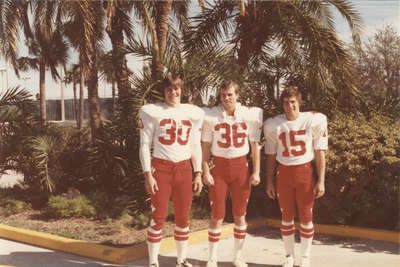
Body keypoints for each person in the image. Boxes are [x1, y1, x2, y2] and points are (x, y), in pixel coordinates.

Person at [139, 74, 204, 267]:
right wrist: (147, 174)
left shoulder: (192, 112)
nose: (173, 92)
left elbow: (195, 145)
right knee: (158, 216)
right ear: (164, 92)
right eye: (169, 89)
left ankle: (181, 260)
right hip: (161, 167)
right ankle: (153, 262)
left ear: (181, 90)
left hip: (184, 168)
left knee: (183, 216)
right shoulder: (153, 111)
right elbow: (144, 144)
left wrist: (198, 172)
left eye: (176, 89)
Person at [263, 86, 328, 267]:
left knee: (306, 215)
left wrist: (321, 180)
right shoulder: (274, 124)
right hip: (283, 173)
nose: (290, 105)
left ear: (299, 102)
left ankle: (305, 257)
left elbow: (319, 152)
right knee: (287, 217)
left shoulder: (313, 119)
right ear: (282, 104)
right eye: (286, 102)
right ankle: (289, 257)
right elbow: (271, 156)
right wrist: (269, 181)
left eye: (293, 102)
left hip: (304, 172)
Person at [201, 81, 263, 267]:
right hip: (219, 168)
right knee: (217, 214)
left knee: (240, 214)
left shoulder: (248, 115)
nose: (226, 98)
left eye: (230, 94)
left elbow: (254, 146)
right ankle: (212, 258)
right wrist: (205, 170)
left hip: (240, 168)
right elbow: (205, 146)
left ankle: (238, 256)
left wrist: (257, 171)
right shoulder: (211, 115)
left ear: (237, 95)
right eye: (223, 95)